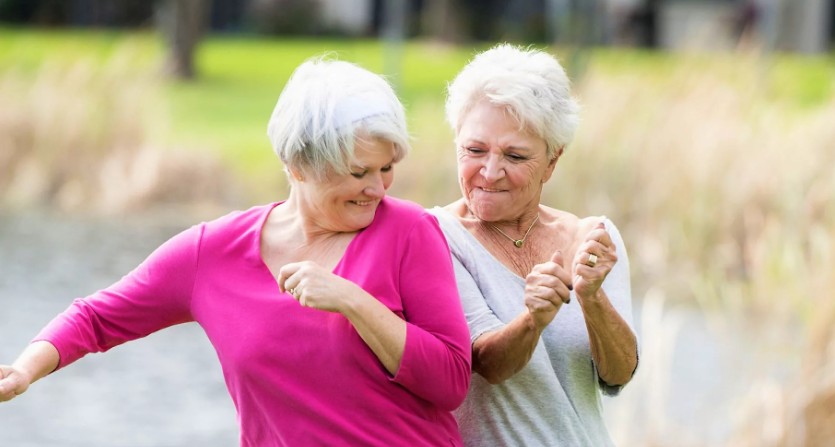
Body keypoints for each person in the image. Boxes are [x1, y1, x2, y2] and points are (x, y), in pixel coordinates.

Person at [0, 57, 472, 446]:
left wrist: (354, 301)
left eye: (386, 168)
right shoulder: (213, 253)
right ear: (298, 165)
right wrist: (25, 369)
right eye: (357, 172)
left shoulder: (410, 231)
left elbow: (451, 382)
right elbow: (96, 318)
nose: (377, 188)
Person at [430, 44, 640, 446]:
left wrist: (592, 299)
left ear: (552, 161)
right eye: (474, 150)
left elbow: (619, 374)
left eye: (515, 155)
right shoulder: (434, 234)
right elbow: (485, 362)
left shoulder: (593, 238)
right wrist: (533, 319)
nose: (490, 172)